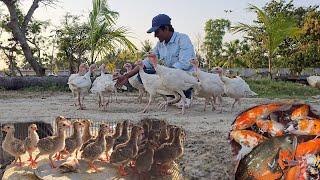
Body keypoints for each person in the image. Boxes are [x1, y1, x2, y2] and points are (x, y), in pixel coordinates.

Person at [115, 14, 196, 107]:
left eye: (157, 32)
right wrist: (127, 76)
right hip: (169, 76)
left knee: (168, 74)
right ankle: (172, 95)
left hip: (184, 76)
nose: (155, 35)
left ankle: (186, 96)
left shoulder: (182, 39)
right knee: (142, 74)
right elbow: (146, 62)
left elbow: (185, 63)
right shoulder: (160, 45)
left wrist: (164, 73)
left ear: (166, 28)